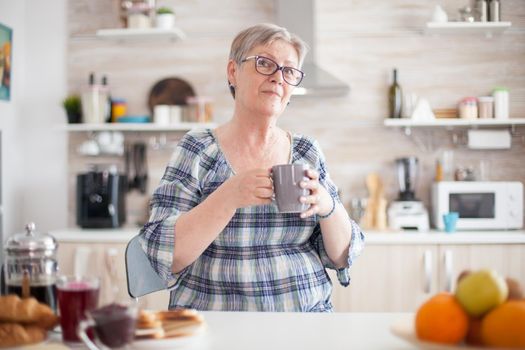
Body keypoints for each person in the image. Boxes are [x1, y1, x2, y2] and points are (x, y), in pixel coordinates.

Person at [139, 23, 365, 312]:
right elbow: (163, 253)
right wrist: (228, 196)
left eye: (289, 71)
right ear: (233, 72)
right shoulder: (198, 149)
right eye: (264, 63)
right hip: (216, 323)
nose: (278, 78)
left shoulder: (307, 150)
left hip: (306, 320)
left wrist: (327, 205)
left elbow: (342, 256)